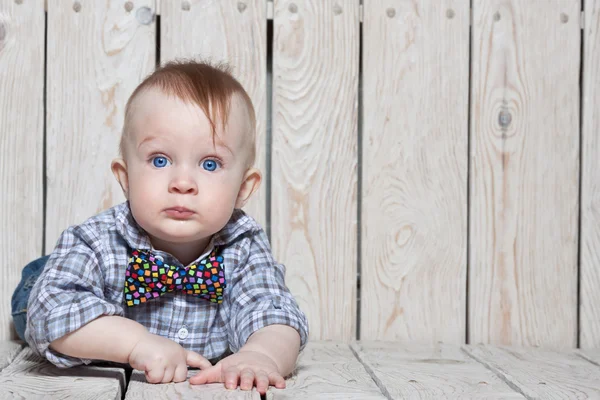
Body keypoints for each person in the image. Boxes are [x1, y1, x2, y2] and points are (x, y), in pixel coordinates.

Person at [14, 59, 309, 394]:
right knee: (34, 300)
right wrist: (135, 343)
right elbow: (51, 312)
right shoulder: (96, 240)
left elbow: (274, 311)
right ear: (125, 178)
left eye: (210, 164)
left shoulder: (244, 244)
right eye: (159, 160)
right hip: (47, 288)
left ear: (244, 188)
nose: (182, 182)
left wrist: (261, 354)